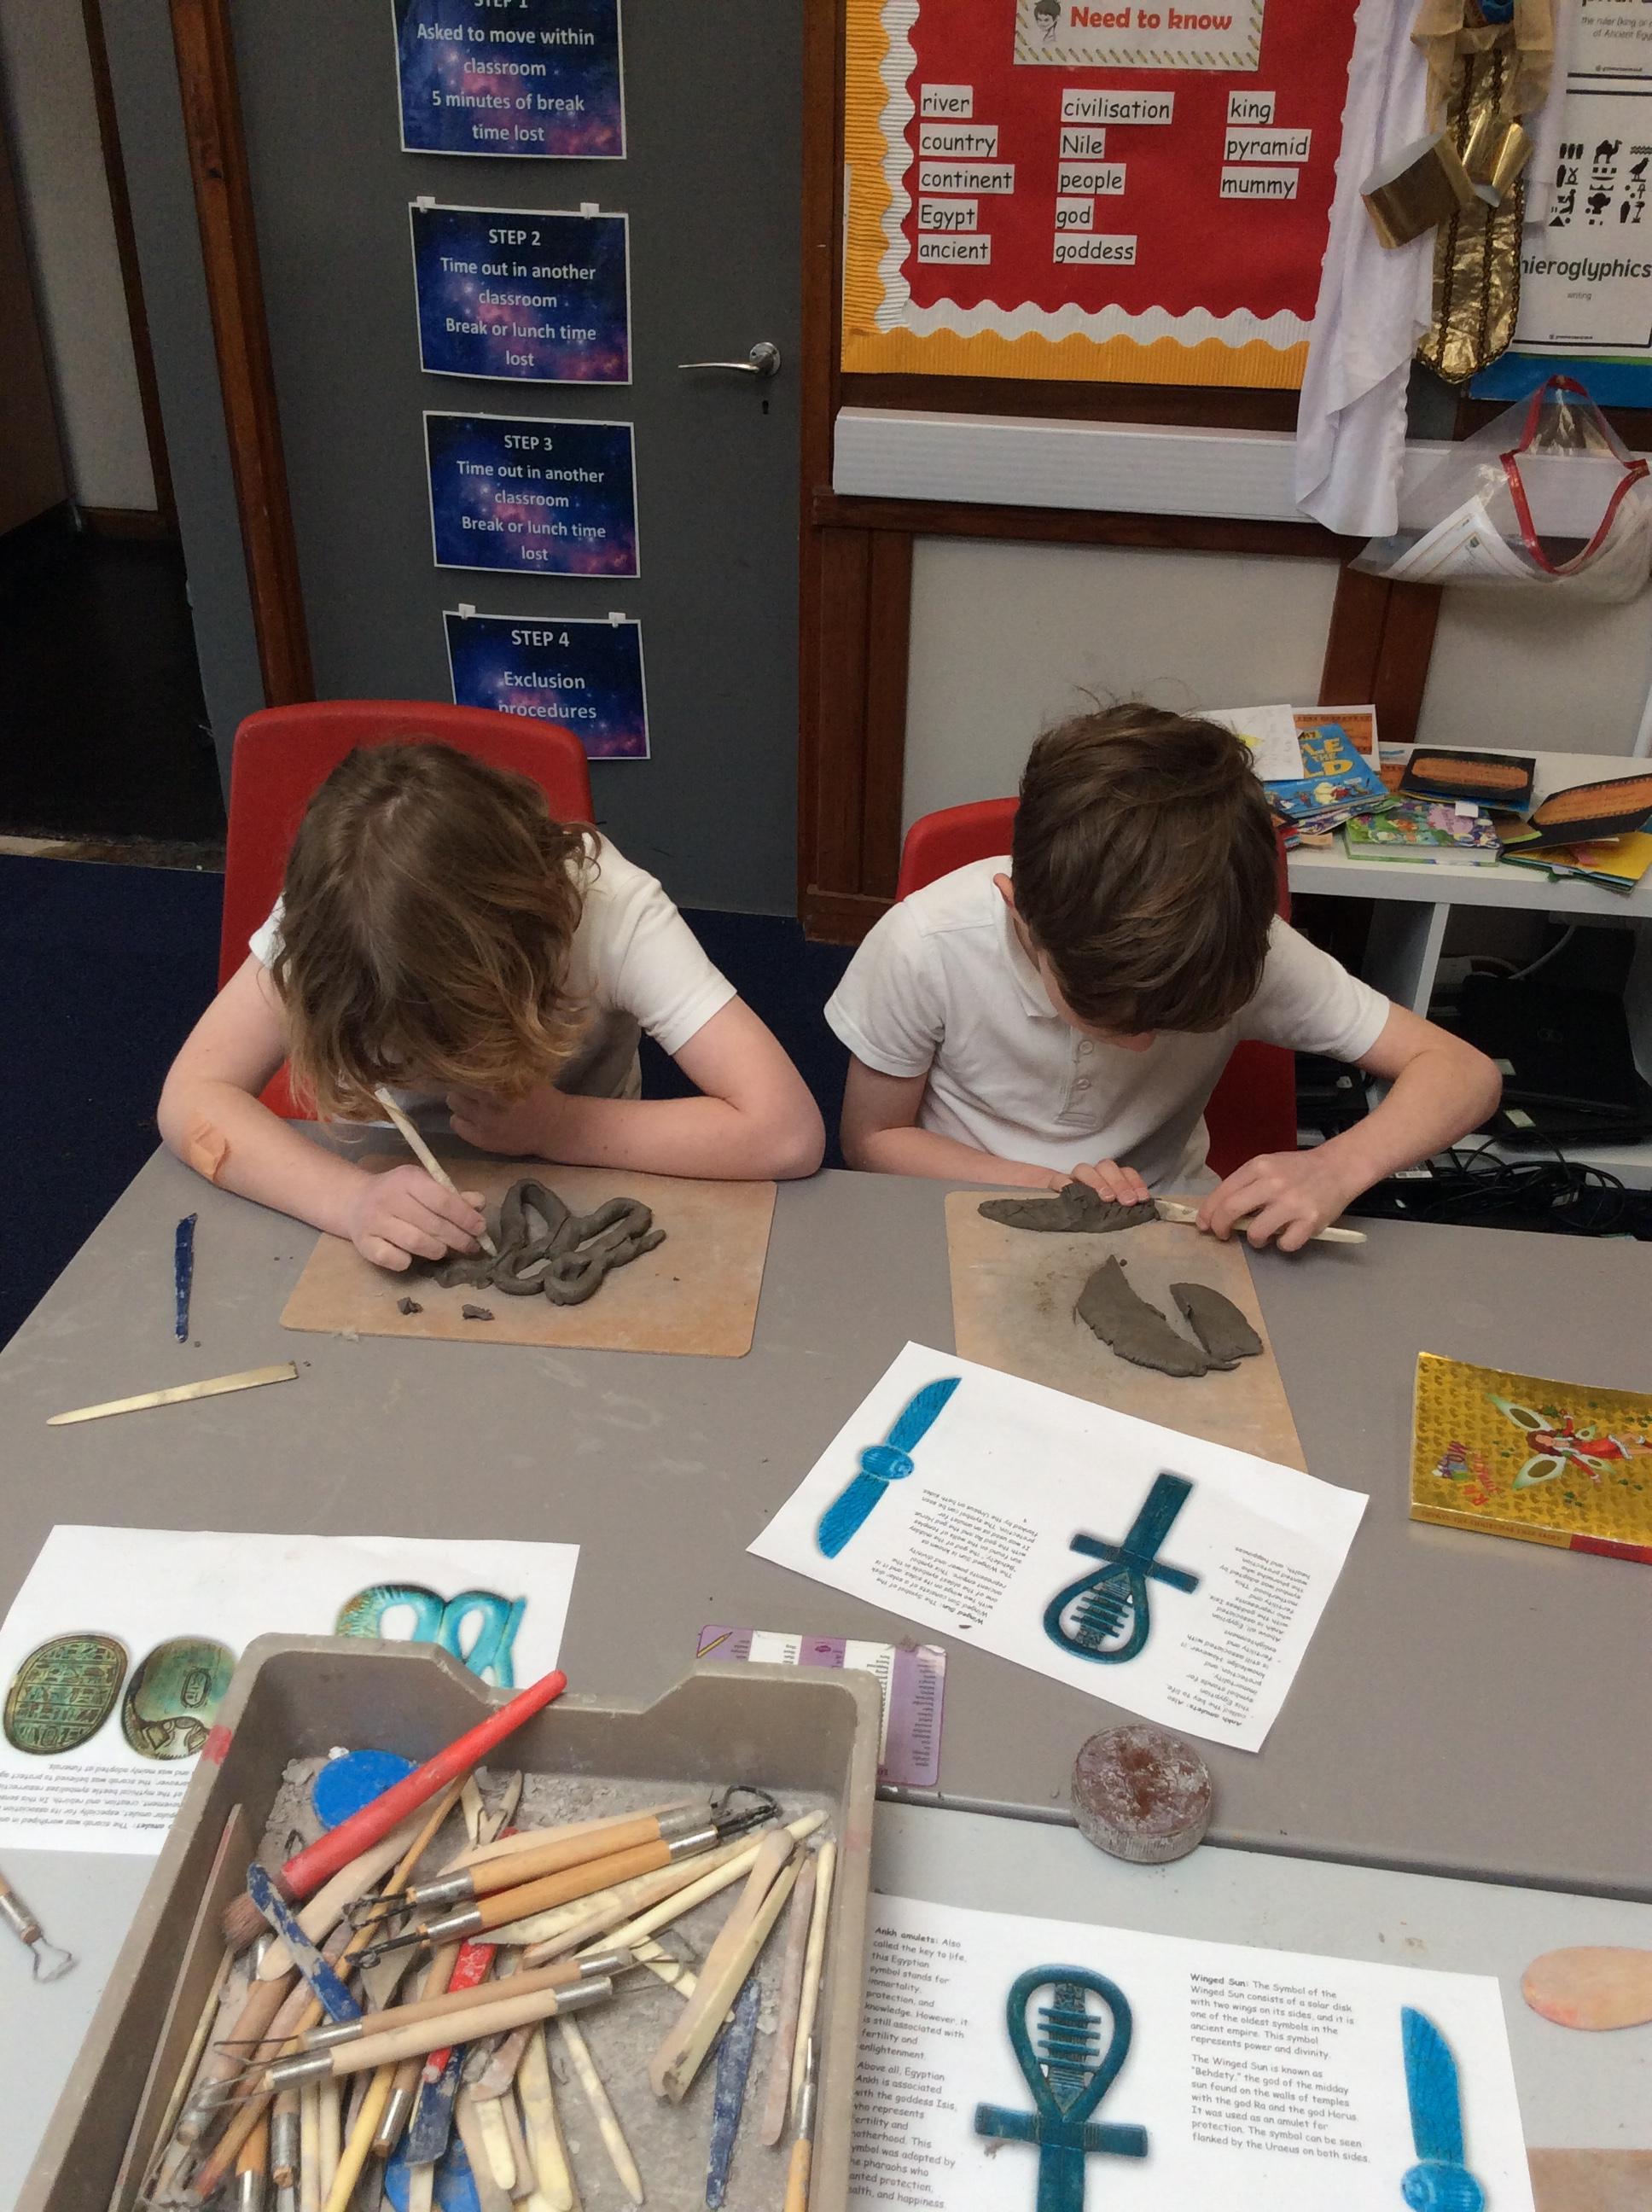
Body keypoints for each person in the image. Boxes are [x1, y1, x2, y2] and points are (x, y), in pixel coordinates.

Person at [827, 704, 1501, 1251]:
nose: (1142, 1045)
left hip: (1167, 1219)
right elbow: (872, 1140)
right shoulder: (926, 944)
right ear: (1019, 912)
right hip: (954, 1205)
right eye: (1105, 1014)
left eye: (1172, 1020)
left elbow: (1465, 1073)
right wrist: (1037, 1183)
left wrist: (1337, 1167)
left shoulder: (1238, 945)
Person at [160, 742, 823, 1270]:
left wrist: (557, 1126)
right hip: (391, 1173)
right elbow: (191, 1097)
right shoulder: (333, 924)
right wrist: (349, 1199)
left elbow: (787, 1134)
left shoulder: (611, 910)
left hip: (591, 1157)